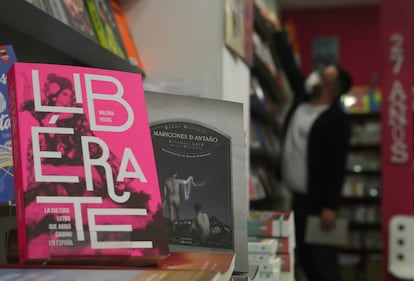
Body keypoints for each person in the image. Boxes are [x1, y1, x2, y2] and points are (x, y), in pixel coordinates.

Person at [261, 10, 352, 281]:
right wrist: (277, 31)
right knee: (303, 256)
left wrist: (330, 206)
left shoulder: (337, 120)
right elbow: (289, 66)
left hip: (318, 202)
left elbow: (338, 164)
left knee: (322, 261)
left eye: (324, 75)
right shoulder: (303, 99)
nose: (316, 75)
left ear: (331, 88)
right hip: (296, 195)